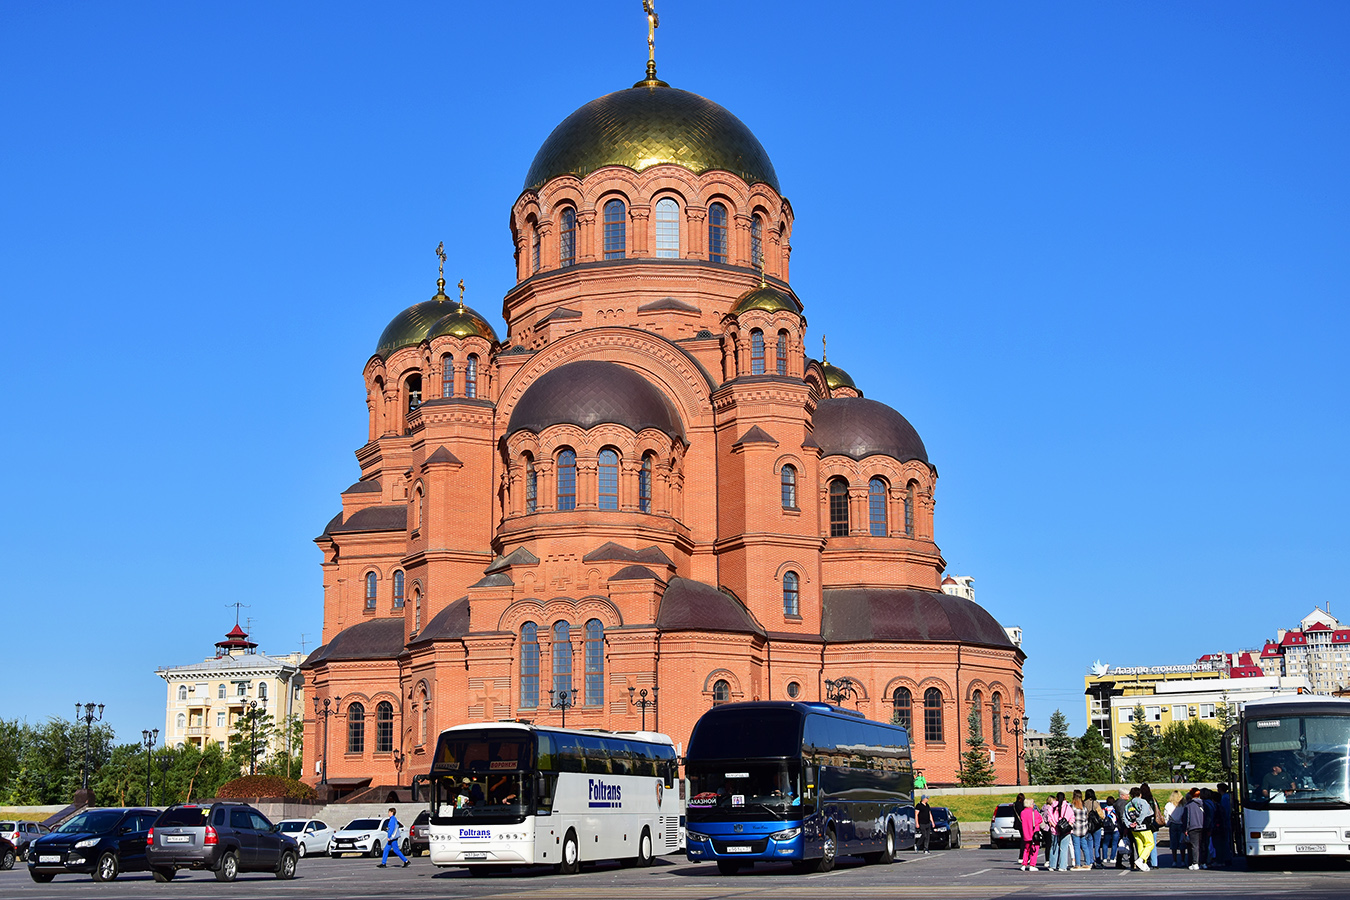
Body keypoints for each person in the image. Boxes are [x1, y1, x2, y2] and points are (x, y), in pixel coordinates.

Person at [1125, 787, 1154, 871]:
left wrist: (1130, 824)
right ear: (1140, 794)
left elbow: (1125, 817)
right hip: (1144, 825)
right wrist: (1138, 821)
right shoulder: (1143, 802)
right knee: (1150, 843)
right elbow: (1144, 812)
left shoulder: (1128, 805)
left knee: (1140, 844)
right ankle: (1141, 860)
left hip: (1134, 828)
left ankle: (1143, 864)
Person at [1045, 791, 1074, 871]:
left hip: (1055, 830)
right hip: (1065, 831)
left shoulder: (1052, 807)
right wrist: (1069, 825)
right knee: (1064, 848)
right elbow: (1072, 818)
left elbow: (1049, 819)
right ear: (1064, 798)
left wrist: (1055, 826)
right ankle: (1062, 866)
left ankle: (1052, 865)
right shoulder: (1068, 807)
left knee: (1054, 847)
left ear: (1056, 798)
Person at [1019, 795, 1044, 871]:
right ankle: (1032, 865)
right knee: (1034, 849)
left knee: (1026, 849)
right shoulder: (1034, 812)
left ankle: (1024, 863)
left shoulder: (1022, 813)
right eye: (1033, 803)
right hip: (1034, 833)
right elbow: (1040, 820)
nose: (1034, 805)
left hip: (1026, 833)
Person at [1184, 788, 1206, 869]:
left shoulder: (1189, 805)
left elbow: (1187, 818)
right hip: (1203, 826)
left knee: (1194, 846)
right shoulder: (1203, 803)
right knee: (1203, 845)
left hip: (1193, 827)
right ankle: (1203, 862)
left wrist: (1185, 829)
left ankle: (1195, 863)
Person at [1083, 789, 1105, 869]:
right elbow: (1101, 815)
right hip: (1096, 826)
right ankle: (1098, 861)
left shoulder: (1084, 803)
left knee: (1089, 844)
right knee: (1097, 844)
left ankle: (1090, 861)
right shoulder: (1095, 803)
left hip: (1087, 825)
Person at [1070, 790, 1092, 871]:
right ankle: (1087, 863)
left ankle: (1077, 864)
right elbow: (1086, 818)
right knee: (1085, 846)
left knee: (1076, 847)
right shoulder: (1084, 807)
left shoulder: (1073, 807)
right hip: (1084, 829)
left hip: (1075, 829)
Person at [1113, 789, 1135, 870]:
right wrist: (1126, 826)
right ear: (1122, 795)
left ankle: (1119, 862)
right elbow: (1123, 816)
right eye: (1127, 795)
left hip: (1120, 826)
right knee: (1129, 844)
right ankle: (1132, 862)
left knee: (1123, 844)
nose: (1128, 796)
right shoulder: (1123, 804)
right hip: (1124, 827)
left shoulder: (1117, 803)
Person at [1166, 790, 1189, 867]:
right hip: (1181, 824)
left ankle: (1174, 860)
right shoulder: (1184, 805)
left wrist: (1167, 823)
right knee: (1182, 842)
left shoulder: (1169, 805)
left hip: (1173, 824)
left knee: (1173, 843)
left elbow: (1167, 816)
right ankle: (1182, 860)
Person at [1140, 783, 1160, 868]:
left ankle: (1144, 861)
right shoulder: (1153, 799)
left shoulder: (1141, 801)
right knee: (1153, 843)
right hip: (1153, 824)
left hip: (1143, 824)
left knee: (1144, 844)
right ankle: (1154, 863)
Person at [1212, 783, 1233, 867]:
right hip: (1226, 822)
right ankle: (1227, 858)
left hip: (1223, 823)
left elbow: (1225, 811)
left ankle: (1224, 859)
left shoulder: (1224, 799)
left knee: (1222, 843)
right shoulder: (1227, 797)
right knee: (1225, 841)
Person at [1100, 793, 1118, 865]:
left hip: (1106, 828)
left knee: (1105, 843)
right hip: (1115, 828)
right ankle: (1112, 858)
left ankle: (1104, 858)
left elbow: (1102, 818)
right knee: (1114, 844)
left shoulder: (1104, 809)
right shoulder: (1115, 809)